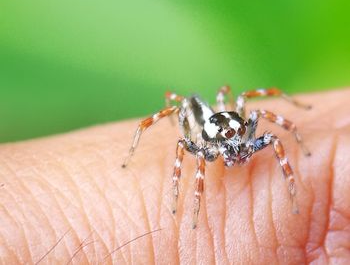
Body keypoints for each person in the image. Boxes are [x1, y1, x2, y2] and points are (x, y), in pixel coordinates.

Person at [0, 89, 349, 264]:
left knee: (261, 116)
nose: (236, 151)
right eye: (229, 145)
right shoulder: (202, 144)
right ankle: (186, 205)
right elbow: (188, 156)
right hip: (203, 132)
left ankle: (291, 175)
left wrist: (297, 143)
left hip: (223, 121)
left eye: (240, 139)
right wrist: (180, 201)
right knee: (187, 151)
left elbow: (274, 128)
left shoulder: (247, 129)